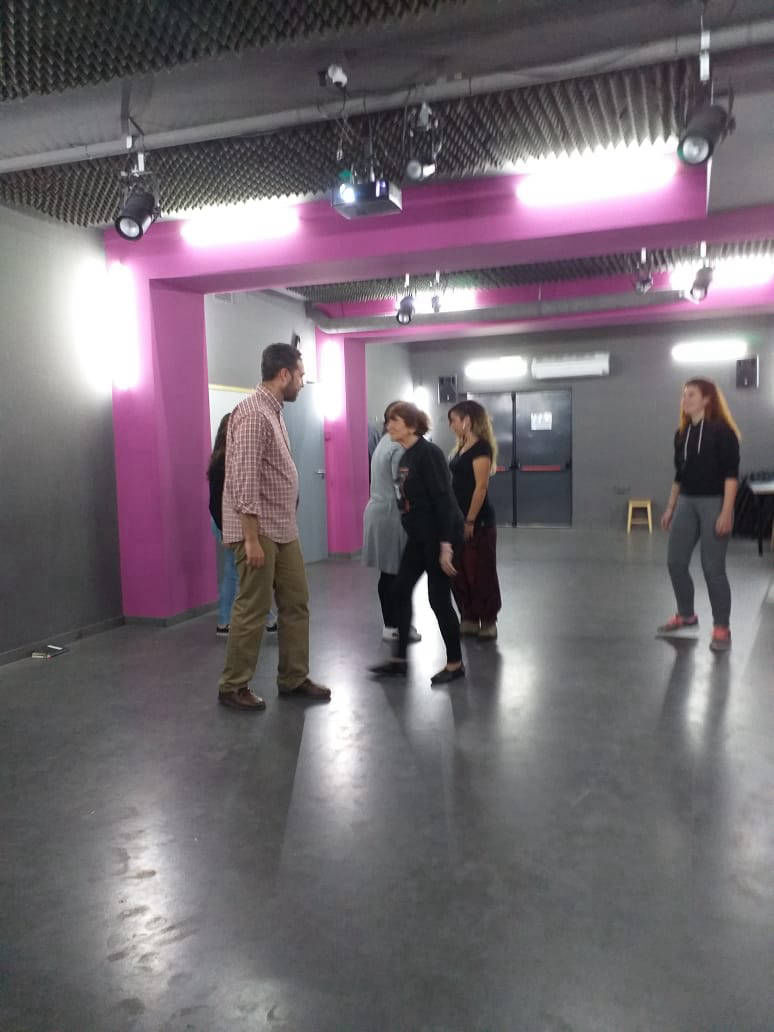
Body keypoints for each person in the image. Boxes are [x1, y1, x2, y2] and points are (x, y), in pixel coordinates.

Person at [218, 343, 331, 710]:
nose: (302, 382)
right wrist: (250, 538)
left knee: (296, 603)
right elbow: (244, 478)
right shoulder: (254, 413)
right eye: (300, 375)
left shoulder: (274, 411)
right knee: (253, 607)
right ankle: (233, 685)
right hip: (260, 530)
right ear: (284, 374)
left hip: (283, 528)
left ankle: (294, 677)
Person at [368, 402, 465, 685]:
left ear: (411, 425)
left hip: (440, 535)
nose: (389, 426)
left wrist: (446, 546)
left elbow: (443, 500)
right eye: (388, 421)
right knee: (399, 590)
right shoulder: (407, 456)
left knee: (438, 599)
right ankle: (399, 661)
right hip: (419, 536)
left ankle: (455, 663)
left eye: (395, 421)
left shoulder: (429, 454)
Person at [658, 377, 740, 652]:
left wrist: (726, 512)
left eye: (691, 394)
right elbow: (679, 476)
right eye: (683, 394)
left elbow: (731, 476)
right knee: (675, 562)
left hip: (714, 503)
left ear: (707, 399)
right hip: (686, 502)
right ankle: (686, 614)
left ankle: (722, 627)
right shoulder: (681, 434)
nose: (685, 399)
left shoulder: (723, 432)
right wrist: (670, 507)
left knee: (712, 568)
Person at [207, 413, 277, 637]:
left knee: (240, 572)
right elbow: (215, 502)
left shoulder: (227, 458)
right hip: (226, 523)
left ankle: (232, 620)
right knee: (241, 572)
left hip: (230, 522)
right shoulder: (223, 462)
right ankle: (237, 620)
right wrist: (226, 532)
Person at [362, 401, 421, 643]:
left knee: (388, 573)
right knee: (396, 574)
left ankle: (392, 624)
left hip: (380, 511)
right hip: (391, 515)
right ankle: (397, 624)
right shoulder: (397, 447)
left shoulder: (385, 442)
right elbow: (403, 487)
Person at [447, 400, 502, 640]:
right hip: (457, 520)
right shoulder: (461, 448)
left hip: (478, 522)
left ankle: (488, 620)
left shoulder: (481, 449)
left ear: (467, 421)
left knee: (481, 571)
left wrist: (470, 520)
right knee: (460, 571)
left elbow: (480, 488)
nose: (451, 425)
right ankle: (468, 616)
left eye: (453, 420)